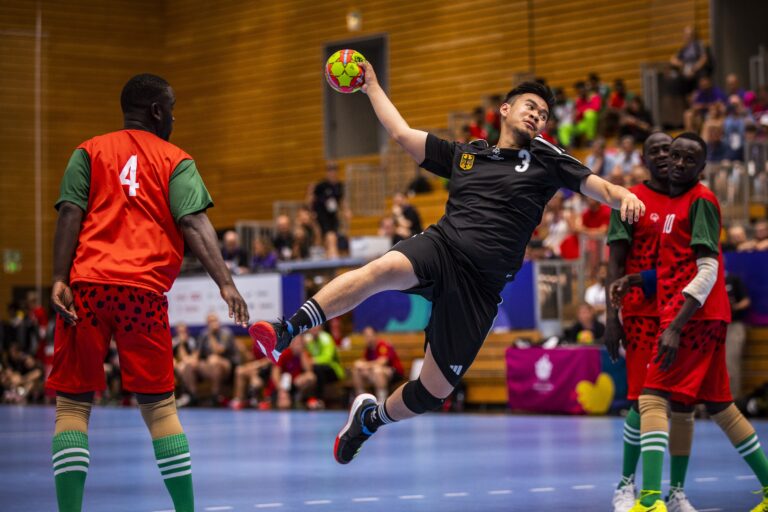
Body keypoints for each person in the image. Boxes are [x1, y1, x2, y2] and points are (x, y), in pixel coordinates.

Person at [249, 62, 644, 465]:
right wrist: (371, 86)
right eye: (530, 106)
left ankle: (369, 420)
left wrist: (623, 197)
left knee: (431, 392)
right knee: (380, 270)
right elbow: (402, 134)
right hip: (443, 247)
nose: (537, 116)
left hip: (480, 289)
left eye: (543, 114)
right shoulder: (466, 155)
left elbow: (600, 186)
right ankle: (286, 329)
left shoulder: (545, 158)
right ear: (505, 110)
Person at [46, 73, 249, 512]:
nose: (174, 116)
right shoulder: (176, 160)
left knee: (73, 406)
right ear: (157, 111)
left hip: (88, 290)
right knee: (160, 410)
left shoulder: (88, 151)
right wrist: (226, 282)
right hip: (143, 295)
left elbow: (69, 213)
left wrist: (59, 277)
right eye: (171, 108)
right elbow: (194, 222)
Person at [611, 133, 768, 512]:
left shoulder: (700, 200)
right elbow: (676, 267)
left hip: (692, 318)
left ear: (701, 166)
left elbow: (708, 268)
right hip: (698, 315)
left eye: (685, 158)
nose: (676, 162)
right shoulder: (670, 204)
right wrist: (638, 281)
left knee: (650, 398)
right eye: (671, 155)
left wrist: (676, 326)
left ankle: (648, 499)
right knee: (721, 407)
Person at [605, 132, 699, 511]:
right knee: (642, 399)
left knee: (681, 403)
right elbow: (614, 261)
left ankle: (675, 491)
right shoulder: (631, 200)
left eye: (668, 150)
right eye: (655, 151)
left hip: (682, 312)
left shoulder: (692, 198)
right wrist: (612, 318)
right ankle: (627, 485)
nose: (663, 156)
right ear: (643, 160)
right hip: (642, 312)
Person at [351, 326, 404, 403]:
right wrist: (362, 367)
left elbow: (382, 362)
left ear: (375, 335)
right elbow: (364, 362)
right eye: (365, 335)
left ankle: (381, 400)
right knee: (356, 371)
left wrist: (364, 365)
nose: (367, 338)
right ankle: (361, 399)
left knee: (377, 370)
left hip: (394, 373)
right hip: (375, 373)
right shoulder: (368, 349)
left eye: (369, 335)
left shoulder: (383, 345)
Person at [304, 325, 344, 409]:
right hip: (317, 369)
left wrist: (313, 360)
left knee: (318, 369)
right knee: (310, 369)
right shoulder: (308, 340)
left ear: (320, 329)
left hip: (333, 370)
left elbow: (327, 358)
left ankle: (319, 399)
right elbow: (306, 354)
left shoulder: (326, 338)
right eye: (312, 328)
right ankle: (306, 399)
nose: (314, 330)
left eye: (316, 328)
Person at [312, 163, 346, 259]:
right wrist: (312, 213)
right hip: (321, 215)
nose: (332, 173)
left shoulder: (339, 186)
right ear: (327, 173)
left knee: (332, 236)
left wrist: (345, 211)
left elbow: (341, 201)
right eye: (330, 171)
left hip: (333, 216)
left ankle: (329, 254)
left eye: (334, 171)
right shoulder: (321, 185)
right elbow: (312, 200)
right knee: (328, 235)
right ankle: (332, 255)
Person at [725, 272, 751, 400]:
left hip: (733, 326)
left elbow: (746, 301)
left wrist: (733, 306)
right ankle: (702, 406)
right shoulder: (706, 281)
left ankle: (732, 400)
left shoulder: (733, 280)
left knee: (731, 364)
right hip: (712, 327)